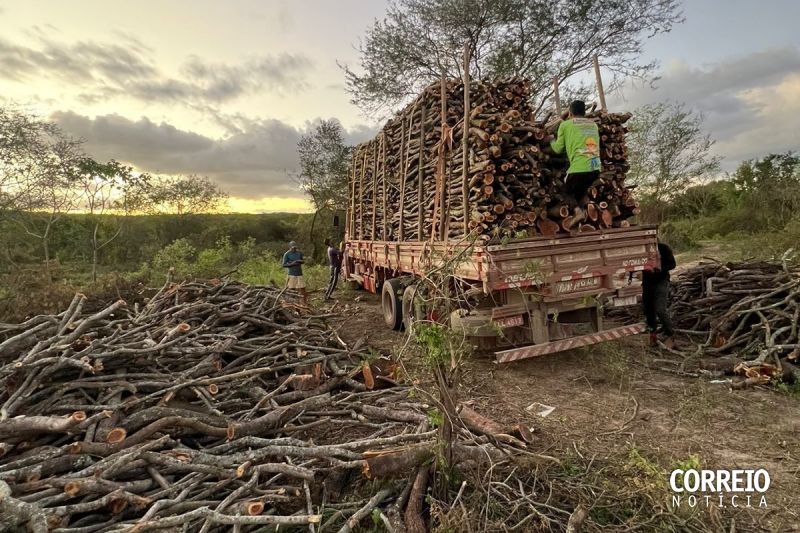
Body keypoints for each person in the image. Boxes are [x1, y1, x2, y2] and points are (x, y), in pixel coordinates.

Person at [550, 100, 602, 211]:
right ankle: (587, 212)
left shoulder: (565, 125)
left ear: (570, 113)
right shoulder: (593, 125)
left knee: (566, 192)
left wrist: (551, 140)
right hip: (595, 168)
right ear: (584, 112)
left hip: (578, 169)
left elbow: (558, 149)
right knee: (581, 192)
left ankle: (578, 213)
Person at [643, 241, 676, 348]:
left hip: (661, 281)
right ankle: (653, 336)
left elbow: (673, 264)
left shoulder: (663, 248)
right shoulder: (642, 250)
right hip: (647, 283)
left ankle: (670, 335)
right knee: (649, 310)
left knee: (660, 309)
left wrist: (659, 268)